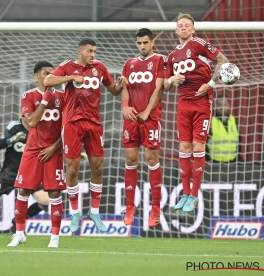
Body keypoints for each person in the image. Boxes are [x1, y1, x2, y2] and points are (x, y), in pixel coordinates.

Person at [44, 38, 126, 233]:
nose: (93, 55)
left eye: (94, 51)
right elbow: (48, 81)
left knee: (97, 168)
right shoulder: (67, 66)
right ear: (80, 52)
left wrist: (121, 85)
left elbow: (113, 90)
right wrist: (71, 78)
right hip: (72, 123)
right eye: (90, 51)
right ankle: (75, 212)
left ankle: (94, 211)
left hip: (94, 124)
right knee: (72, 170)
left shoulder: (100, 68)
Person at [164, 13, 230, 213]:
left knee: (198, 145)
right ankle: (185, 194)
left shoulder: (200, 44)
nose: (183, 28)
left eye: (187, 25)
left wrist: (209, 83)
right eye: (180, 25)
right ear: (176, 30)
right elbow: (166, 86)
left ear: (193, 29)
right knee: (184, 147)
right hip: (183, 103)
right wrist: (171, 80)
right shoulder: (172, 56)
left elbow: (223, 61)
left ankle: (194, 195)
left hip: (202, 101)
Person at [8, 61, 65, 248]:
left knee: (54, 192)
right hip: (32, 150)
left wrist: (54, 147)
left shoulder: (63, 97)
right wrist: (45, 99)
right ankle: (19, 234)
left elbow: (67, 129)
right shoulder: (29, 96)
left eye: (52, 73)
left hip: (53, 150)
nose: (50, 76)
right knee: (23, 190)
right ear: (37, 76)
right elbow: (31, 122)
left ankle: (54, 237)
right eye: (46, 73)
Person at [121, 28, 165, 227]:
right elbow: (125, 89)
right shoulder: (129, 64)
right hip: (131, 119)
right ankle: (130, 206)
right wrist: (124, 106)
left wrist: (147, 110)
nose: (142, 46)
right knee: (130, 160)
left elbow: (159, 87)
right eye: (139, 43)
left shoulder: (159, 61)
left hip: (150, 118)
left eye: (145, 43)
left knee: (151, 158)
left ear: (152, 42)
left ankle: (155, 208)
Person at [206, 94, 242, 163]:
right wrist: (207, 159)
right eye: (220, 105)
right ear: (215, 106)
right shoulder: (211, 121)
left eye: (224, 104)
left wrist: (239, 158)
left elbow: (238, 141)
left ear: (228, 105)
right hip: (215, 161)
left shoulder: (233, 120)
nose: (222, 107)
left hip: (233, 161)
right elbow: (203, 142)